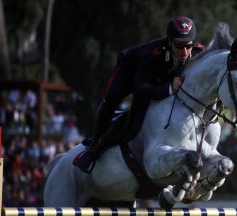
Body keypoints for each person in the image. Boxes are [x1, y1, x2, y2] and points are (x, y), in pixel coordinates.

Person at [73, 16, 204, 173]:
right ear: (169, 41)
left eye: (188, 46)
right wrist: (169, 89)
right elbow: (140, 89)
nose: (184, 52)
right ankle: (94, 147)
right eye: (179, 46)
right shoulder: (152, 54)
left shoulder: (198, 52)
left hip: (160, 76)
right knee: (112, 97)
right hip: (132, 71)